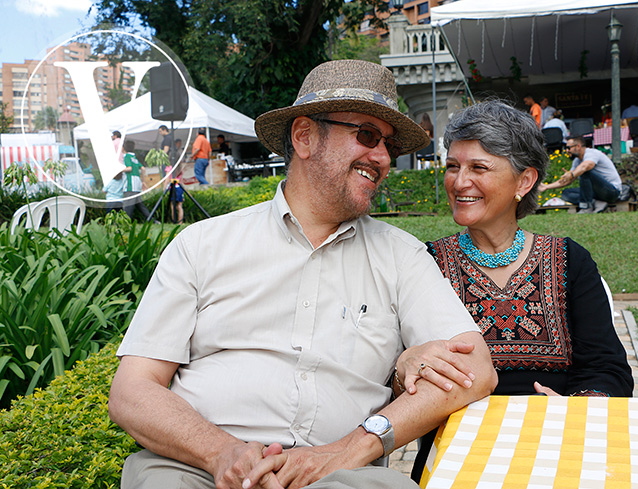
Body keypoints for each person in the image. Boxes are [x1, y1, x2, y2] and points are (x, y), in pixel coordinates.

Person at [108, 59, 496, 489]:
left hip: (342, 474)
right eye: (367, 135)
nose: (383, 157)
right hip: (195, 468)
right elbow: (132, 391)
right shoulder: (202, 245)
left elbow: (476, 368)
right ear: (305, 136)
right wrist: (221, 454)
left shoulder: (401, 255)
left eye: (389, 145)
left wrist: (348, 450)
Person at [393, 101, 633, 481]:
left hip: (557, 450)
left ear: (524, 181)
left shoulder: (570, 261)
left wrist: (579, 407)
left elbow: (608, 369)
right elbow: (394, 377)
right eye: (453, 166)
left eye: (479, 168)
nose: (459, 182)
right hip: (458, 458)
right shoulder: (426, 263)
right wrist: (403, 364)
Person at [538, 136, 623, 213]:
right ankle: (597, 203)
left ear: (578, 146)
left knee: (585, 172)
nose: (567, 151)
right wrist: (546, 187)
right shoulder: (577, 161)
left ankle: (586, 208)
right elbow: (567, 180)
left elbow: (586, 166)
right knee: (566, 194)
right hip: (596, 193)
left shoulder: (592, 153)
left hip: (612, 191)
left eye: (568, 148)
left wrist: (572, 174)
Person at [122, 140, 150, 220]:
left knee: (128, 205)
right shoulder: (134, 158)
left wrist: (119, 170)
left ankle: (126, 221)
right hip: (137, 183)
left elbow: (129, 168)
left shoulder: (127, 156)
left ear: (124, 148)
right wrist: (143, 181)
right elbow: (143, 168)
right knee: (140, 205)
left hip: (130, 184)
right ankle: (151, 219)